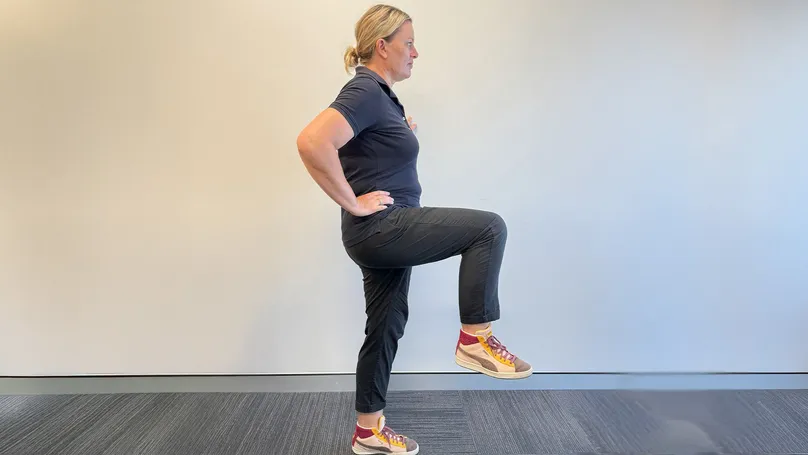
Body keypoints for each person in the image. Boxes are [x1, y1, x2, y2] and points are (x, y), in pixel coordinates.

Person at [296, 4, 532, 454]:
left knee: (386, 324)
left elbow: (363, 151)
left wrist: (398, 134)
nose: (415, 53)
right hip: (382, 227)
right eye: (408, 43)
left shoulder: (380, 97)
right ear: (382, 47)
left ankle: (368, 431)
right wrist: (352, 202)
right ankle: (475, 338)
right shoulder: (365, 90)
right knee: (488, 229)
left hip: (377, 233)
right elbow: (312, 141)